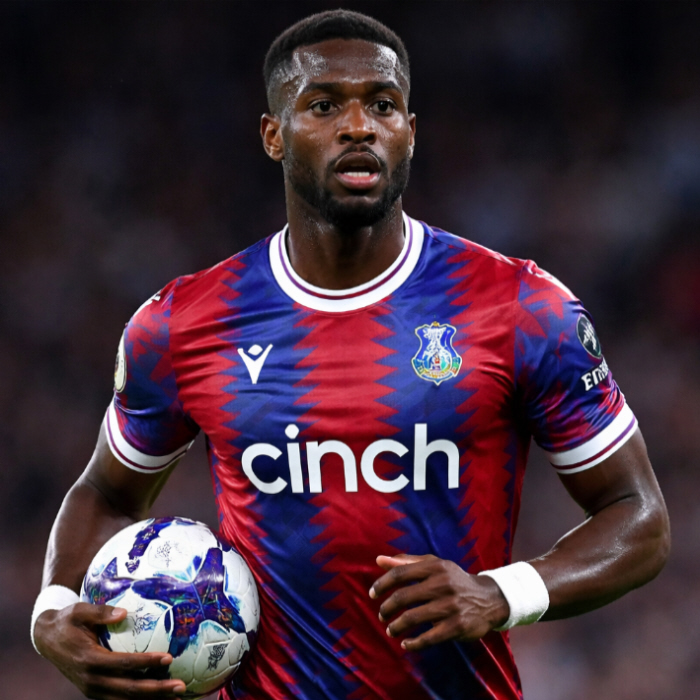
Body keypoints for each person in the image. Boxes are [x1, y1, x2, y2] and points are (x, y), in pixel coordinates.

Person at [31, 9, 670, 700]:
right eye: (324, 105)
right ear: (273, 135)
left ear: (410, 132)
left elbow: (638, 517)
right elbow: (105, 491)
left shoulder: (520, 308)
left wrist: (500, 594)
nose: (360, 126)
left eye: (383, 105)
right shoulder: (182, 324)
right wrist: (53, 609)